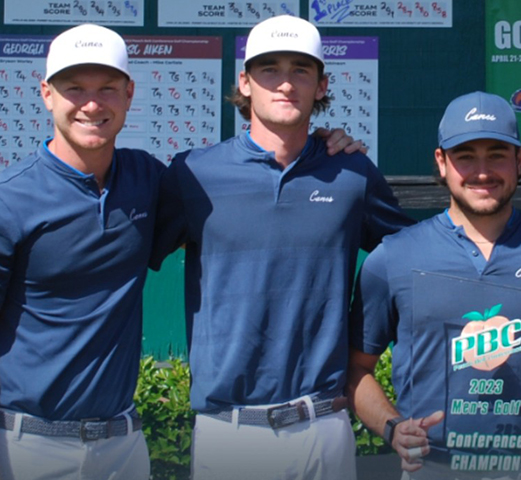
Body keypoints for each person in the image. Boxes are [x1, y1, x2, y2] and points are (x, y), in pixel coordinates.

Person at [151, 14, 414, 479]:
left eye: (300, 70)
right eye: (269, 69)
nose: (285, 83)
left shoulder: (352, 174)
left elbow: (414, 260)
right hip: (227, 432)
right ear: (245, 82)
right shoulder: (193, 174)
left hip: (322, 428)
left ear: (321, 84)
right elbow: (121, 254)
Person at [346, 91, 521, 480]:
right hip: (431, 468)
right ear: (442, 162)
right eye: (465, 155)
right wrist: (391, 426)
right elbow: (355, 367)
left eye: (497, 154)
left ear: (519, 160)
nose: (482, 171)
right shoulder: (393, 258)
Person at [0, 24, 156, 480]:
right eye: (74, 88)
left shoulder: (149, 180)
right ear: (46, 93)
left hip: (123, 447)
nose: (92, 104)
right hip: (28, 450)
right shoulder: (0, 205)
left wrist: (328, 145)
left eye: (107, 88)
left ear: (129, 93)